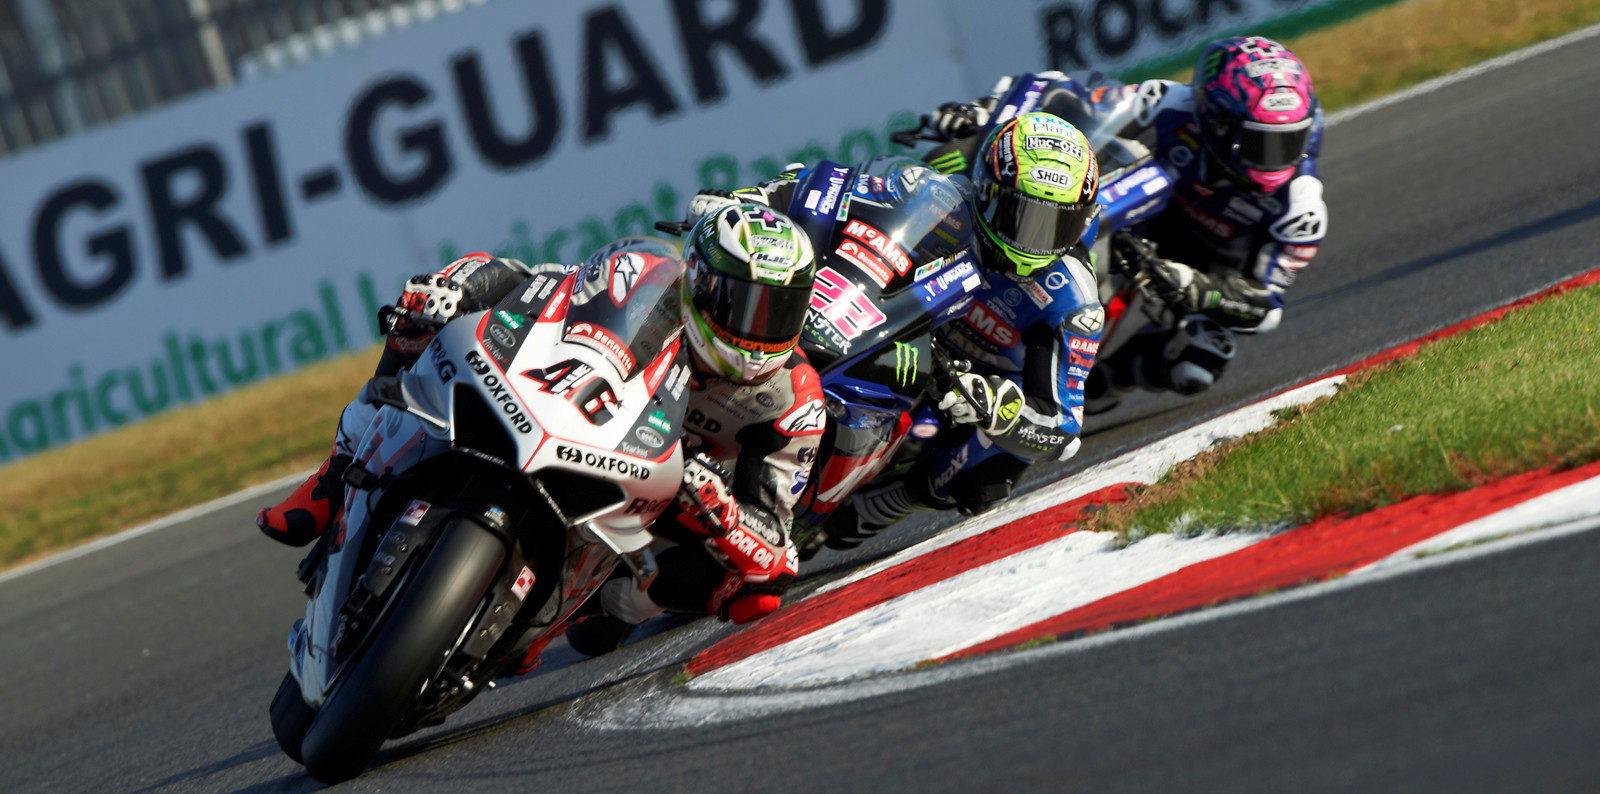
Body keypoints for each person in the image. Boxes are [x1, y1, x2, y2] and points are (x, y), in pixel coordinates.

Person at [256, 203, 823, 656]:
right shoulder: (651, 279)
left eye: (778, 311)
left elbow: (775, 546)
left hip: (655, 502)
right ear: (701, 282)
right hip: (566, 412)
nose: (757, 332)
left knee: (757, 594)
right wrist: (460, 287)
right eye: (744, 305)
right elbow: (549, 285)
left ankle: (598, 607)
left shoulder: (791, 400)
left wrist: (718, 508)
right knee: (425, 311)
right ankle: (334, 477)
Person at [692, 116, 1106, 547]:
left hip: (977, 384)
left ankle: (888, 501)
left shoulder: (1071, 299)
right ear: (985, 191)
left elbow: (1063, 428)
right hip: (894, 330)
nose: (1035, 241)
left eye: (1054, 227)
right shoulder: (934, 195)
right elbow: (827, 184)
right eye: (1024, 217)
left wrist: (998, 407)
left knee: (985, 478)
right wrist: (750, 201)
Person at [906, 35, 1327, 411]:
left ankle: (1103, 384)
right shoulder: (1168, 102)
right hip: (1137, 217)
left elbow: (1268, 306)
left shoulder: (1301, 206)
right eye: (1260, 142)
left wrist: (1196, 288)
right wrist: (985, 113)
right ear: (1217, 120)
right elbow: (1068, 95)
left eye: (1290, 140)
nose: (1275, 160)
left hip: (1204, 269)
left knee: (1199, 358)